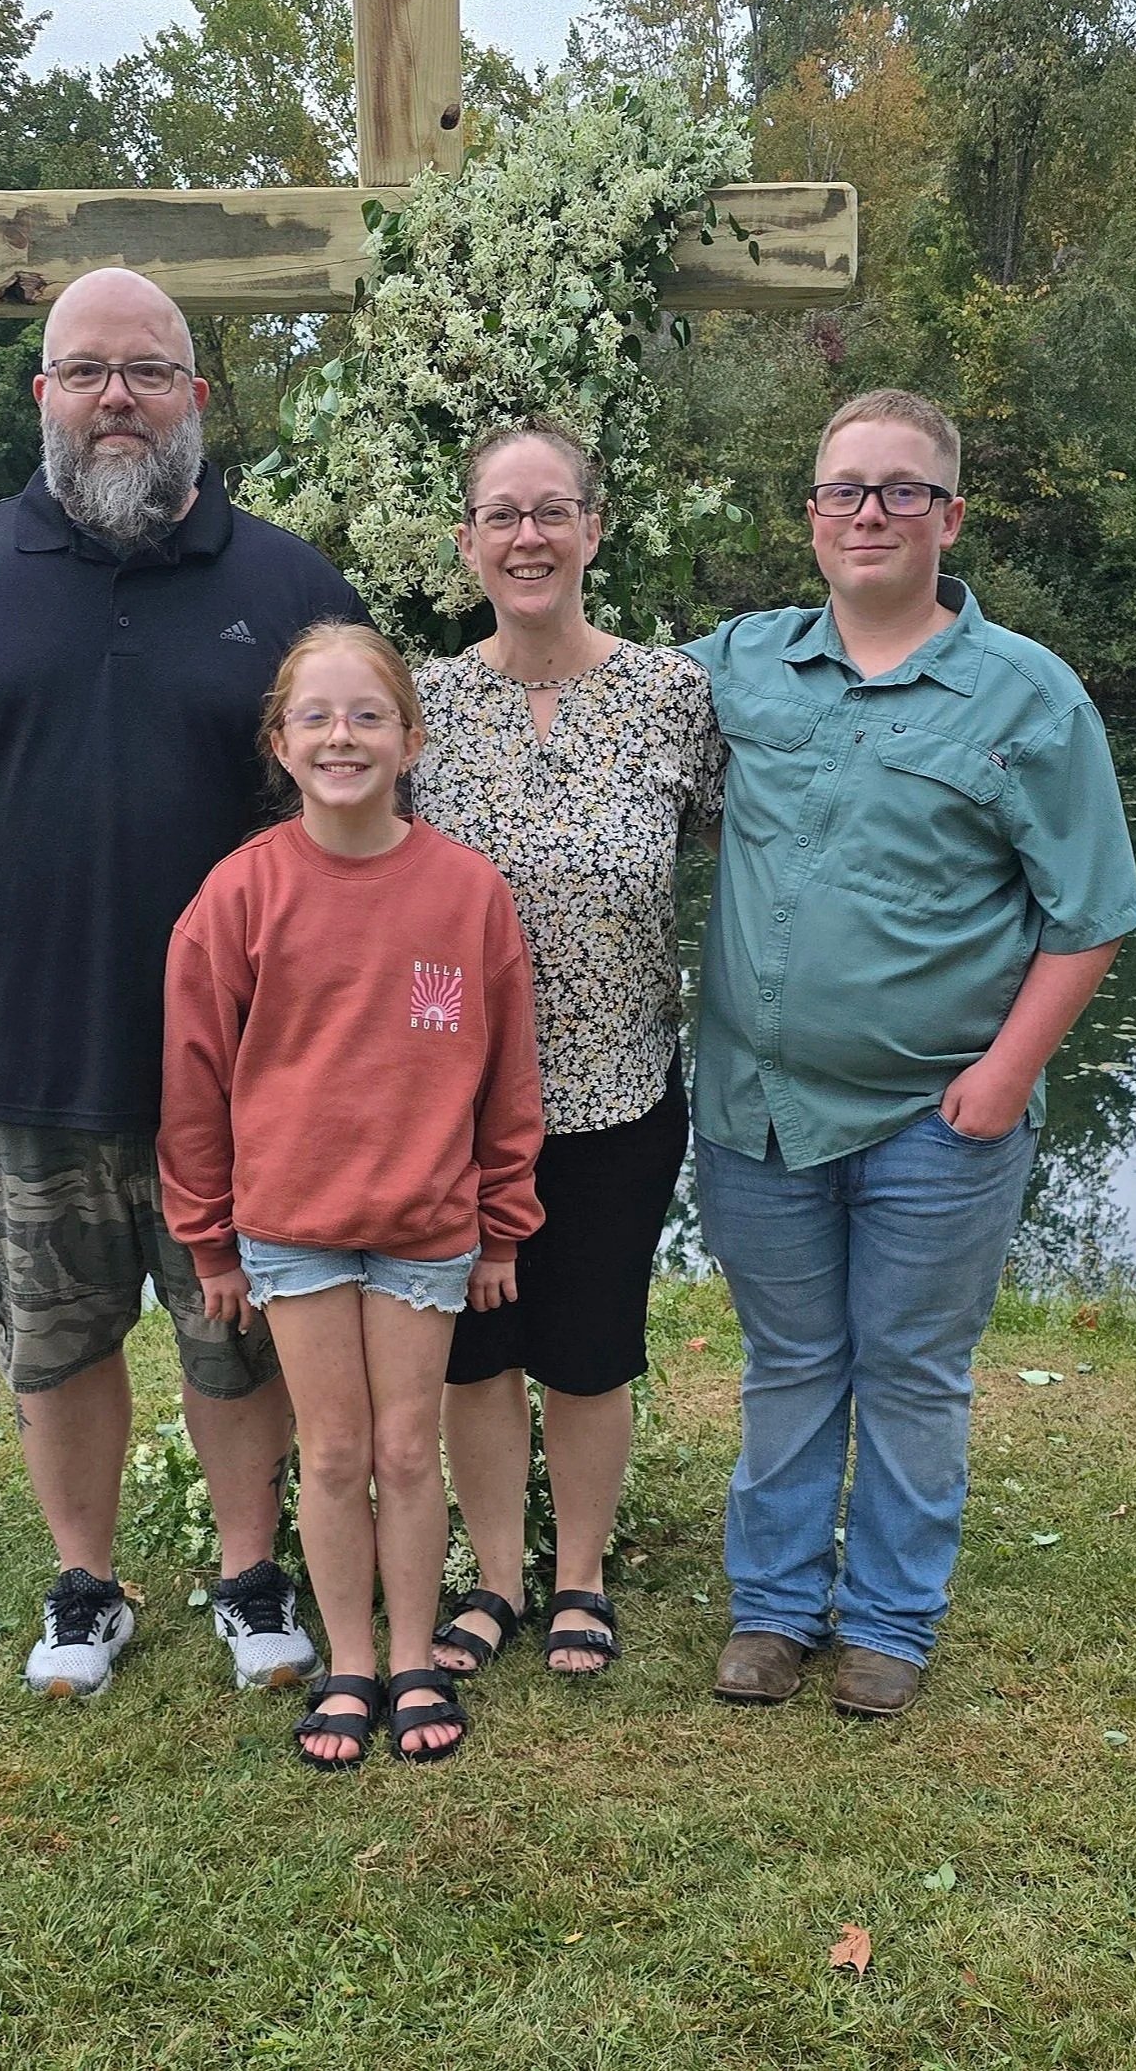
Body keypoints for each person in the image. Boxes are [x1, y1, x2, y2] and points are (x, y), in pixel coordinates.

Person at [0, 266, 365, 1700]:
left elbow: (366, 812)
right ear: (42, 394)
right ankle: (87, 1588)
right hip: (22, 1057)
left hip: (247, 1071)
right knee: (53, 1341)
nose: (120, 398)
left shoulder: (288, 585)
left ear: (196, 400)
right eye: (89, 371)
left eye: (149, 373)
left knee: (235, 1340)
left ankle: (248, 1576)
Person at [685, 388, 1136, 1718]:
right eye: (844, 489)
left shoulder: (1029, 698)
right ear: (813, 515)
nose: (869, 511)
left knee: (908, 1370)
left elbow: (1090, 914)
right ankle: (773, 1609)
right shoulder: (739, 665)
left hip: (934, 1119)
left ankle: (888, 1619)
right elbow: (589, 696)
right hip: (755, 1111)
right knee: (787, 1364)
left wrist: (1001, 1082)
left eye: (899, 489)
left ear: (948, 514)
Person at [159, 623, 543, 1766]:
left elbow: (508, 1071)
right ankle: (350, 1663)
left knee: (405, 1451)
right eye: (316, 716)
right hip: (293, 1228)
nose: (342, 736)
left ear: (411, 738)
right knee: (328, 1455)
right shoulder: (239, 894)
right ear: (281, 743)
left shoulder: (466, 893)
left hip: (428, 1226)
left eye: (368, 714)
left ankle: (416, 1653)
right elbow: (193, 1080)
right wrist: (211, 1241)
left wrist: (502, 1218)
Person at [413, 422, 725, 1678]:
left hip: (616, 1093)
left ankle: (581, 1575)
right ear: (468, 543)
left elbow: (744, 851)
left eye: (553, 511)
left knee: (591, 1346)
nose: (528, 536)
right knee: (474, 1352)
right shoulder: (423, 705)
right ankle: (494, 1577)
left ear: (594, 529)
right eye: (503, 514)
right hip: (449, 1103)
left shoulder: (672, 696)